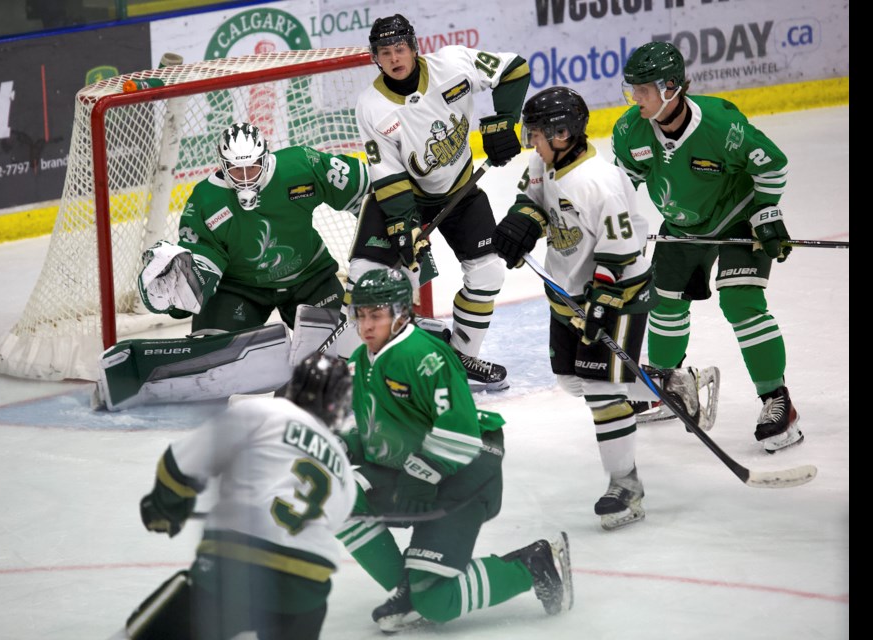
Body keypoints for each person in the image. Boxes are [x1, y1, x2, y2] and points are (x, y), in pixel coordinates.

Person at [336, 267, 573, 633]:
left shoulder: (423, 355)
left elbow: (460, 432)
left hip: (467, 470)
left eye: (376, 315)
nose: (366, 326)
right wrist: (344, 445)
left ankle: (531, 564)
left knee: (437, 602)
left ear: (400, 314)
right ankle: (407, 589)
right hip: (415, 468)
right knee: (338, 496)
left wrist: (421, 473)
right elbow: (374, 426)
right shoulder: (360, 361)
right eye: (361, 315)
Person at [91, 122, 369, 410]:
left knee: (347, 349)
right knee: (212, 359)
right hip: (240, 289)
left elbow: (365, 188)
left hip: (310, 278)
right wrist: (179, 292)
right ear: (222, 165)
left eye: (253, 167)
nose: (246, 178)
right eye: (237, 169)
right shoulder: (205, 201)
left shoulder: (301, 165)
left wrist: (387, 227)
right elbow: (201, 268)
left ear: (265, 157)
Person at [612, 41, 803, 453]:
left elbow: (772, 164)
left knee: (741, 303)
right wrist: (610, 227)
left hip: (736, 217)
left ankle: (777, 401)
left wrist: (766, 213)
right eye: (633, 89)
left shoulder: (720, 125)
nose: (635, 98)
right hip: (680, 224)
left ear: (671, 87)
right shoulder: (630, 130)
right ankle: (671, 385)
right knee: (663, 303)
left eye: (643, 89)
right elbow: (621, 186)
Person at [491, 86, 660, 529]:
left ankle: (626, 485)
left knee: (602, 391)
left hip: (617, 294)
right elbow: (534, 201)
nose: (530, 143)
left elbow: (619, 254)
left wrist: (601, 304)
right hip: (567, 295)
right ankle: (668, 385)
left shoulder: (598, 183)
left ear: (562, 134)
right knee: (571, 381)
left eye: (536, 135)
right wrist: (522, 223)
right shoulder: (544, 163)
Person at [347, 14, 532, 393]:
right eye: (385, 52)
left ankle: (459, 358)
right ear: (375, 58)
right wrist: (402, 224)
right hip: (404, 199)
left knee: (488, 275)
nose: (395, 58)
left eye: (400, 48)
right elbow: (389, 173)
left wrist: (504, 122)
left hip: (462, 193)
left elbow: (514, 68)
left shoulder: (454, 64)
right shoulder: (372, 106)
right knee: (371, 278)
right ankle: (373, 365)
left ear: (414, 47)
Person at [120, 353, 357, 640]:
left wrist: (165, 507)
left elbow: (178, 466)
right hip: (307, 588)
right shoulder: (343, 469)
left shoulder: (265, 412)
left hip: (237, 565)